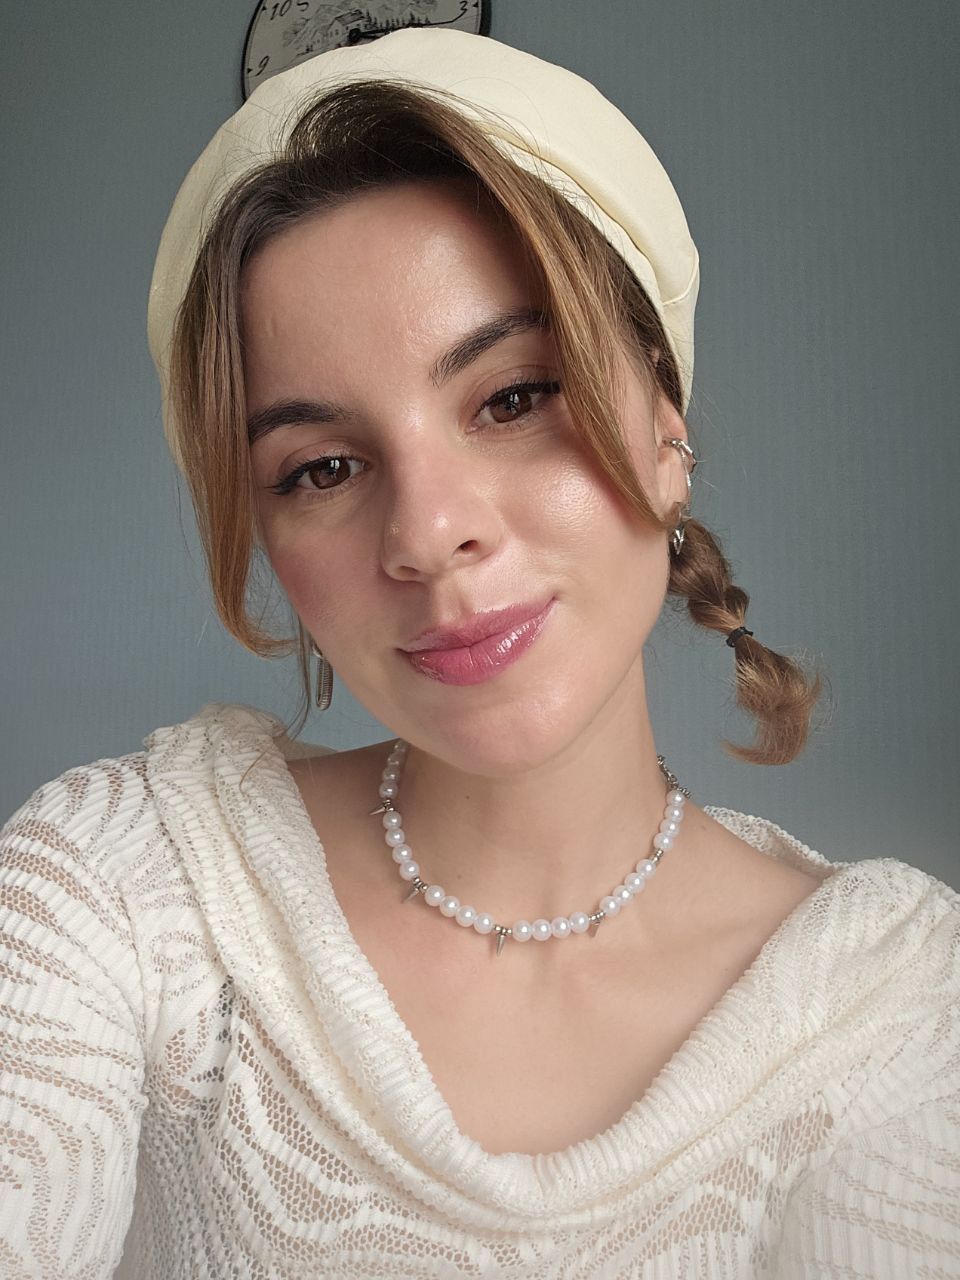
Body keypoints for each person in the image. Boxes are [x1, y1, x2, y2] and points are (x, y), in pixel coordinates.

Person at [1, 27, 957, 1280]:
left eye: (512, 397)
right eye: (322, 468)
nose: (427, 532)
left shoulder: (890, 1001)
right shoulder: (123, 887)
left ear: (667, 429)